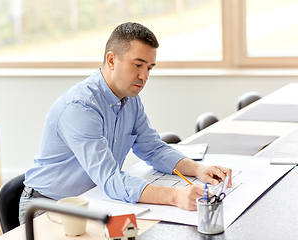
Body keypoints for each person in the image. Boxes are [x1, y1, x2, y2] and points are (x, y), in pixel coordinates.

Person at [19, 22, 232, 224]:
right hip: (47, 206)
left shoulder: (130, 100)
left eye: (149, 68)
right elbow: (110, 178)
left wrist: (197, 169)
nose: (144, 76)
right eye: (138, 64)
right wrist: (175, 196)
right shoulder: (80, 107)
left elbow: (155, 150)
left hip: (93, 199)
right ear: (111, 60)